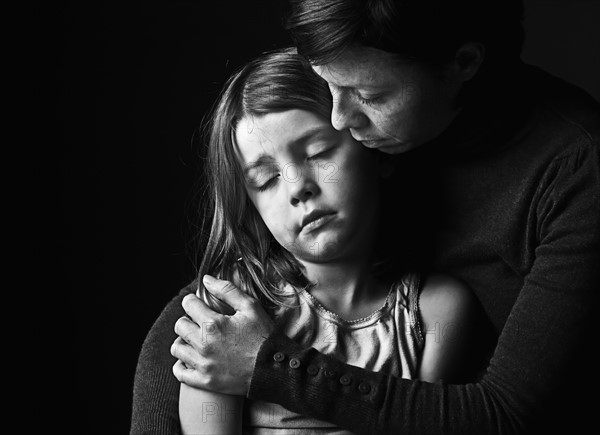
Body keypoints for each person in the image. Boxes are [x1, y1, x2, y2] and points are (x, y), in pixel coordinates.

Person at [132, 0, 600, 433]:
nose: (339, 119)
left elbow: (502, 415)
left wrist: (273, 366)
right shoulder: (377, 124)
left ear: (464, 63)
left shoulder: (577, 171)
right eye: (329, 86)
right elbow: (213, 320)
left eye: (365, 94)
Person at [148, 48, 477, 434]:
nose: (298, 188)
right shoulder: (227, 313)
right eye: (266, 180)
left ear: (377, 151)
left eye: (318, 153)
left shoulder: (434, 313)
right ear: (251, 208)